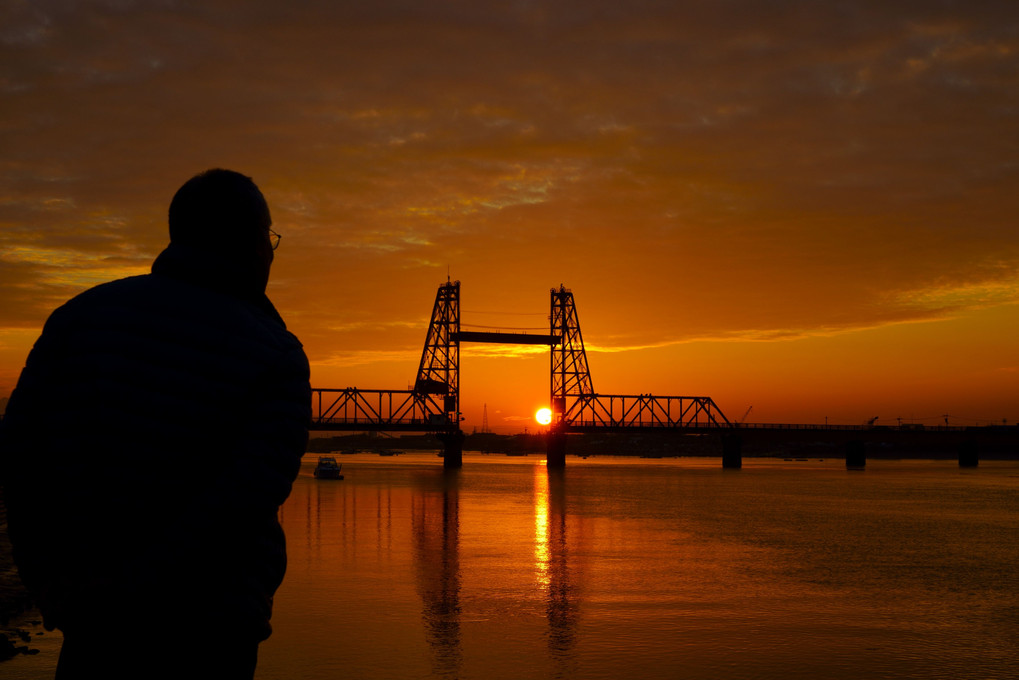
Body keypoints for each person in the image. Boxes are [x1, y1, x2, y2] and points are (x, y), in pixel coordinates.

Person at [0, 169, 311, 678]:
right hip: (212, 627)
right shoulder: (276, 355)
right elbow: (247, 496)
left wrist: (46, 579)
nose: (271, 252)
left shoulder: (76, 318)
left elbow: (18, 453)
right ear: (252, 242)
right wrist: (142, 585)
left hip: (90, 618)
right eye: (268, 236)